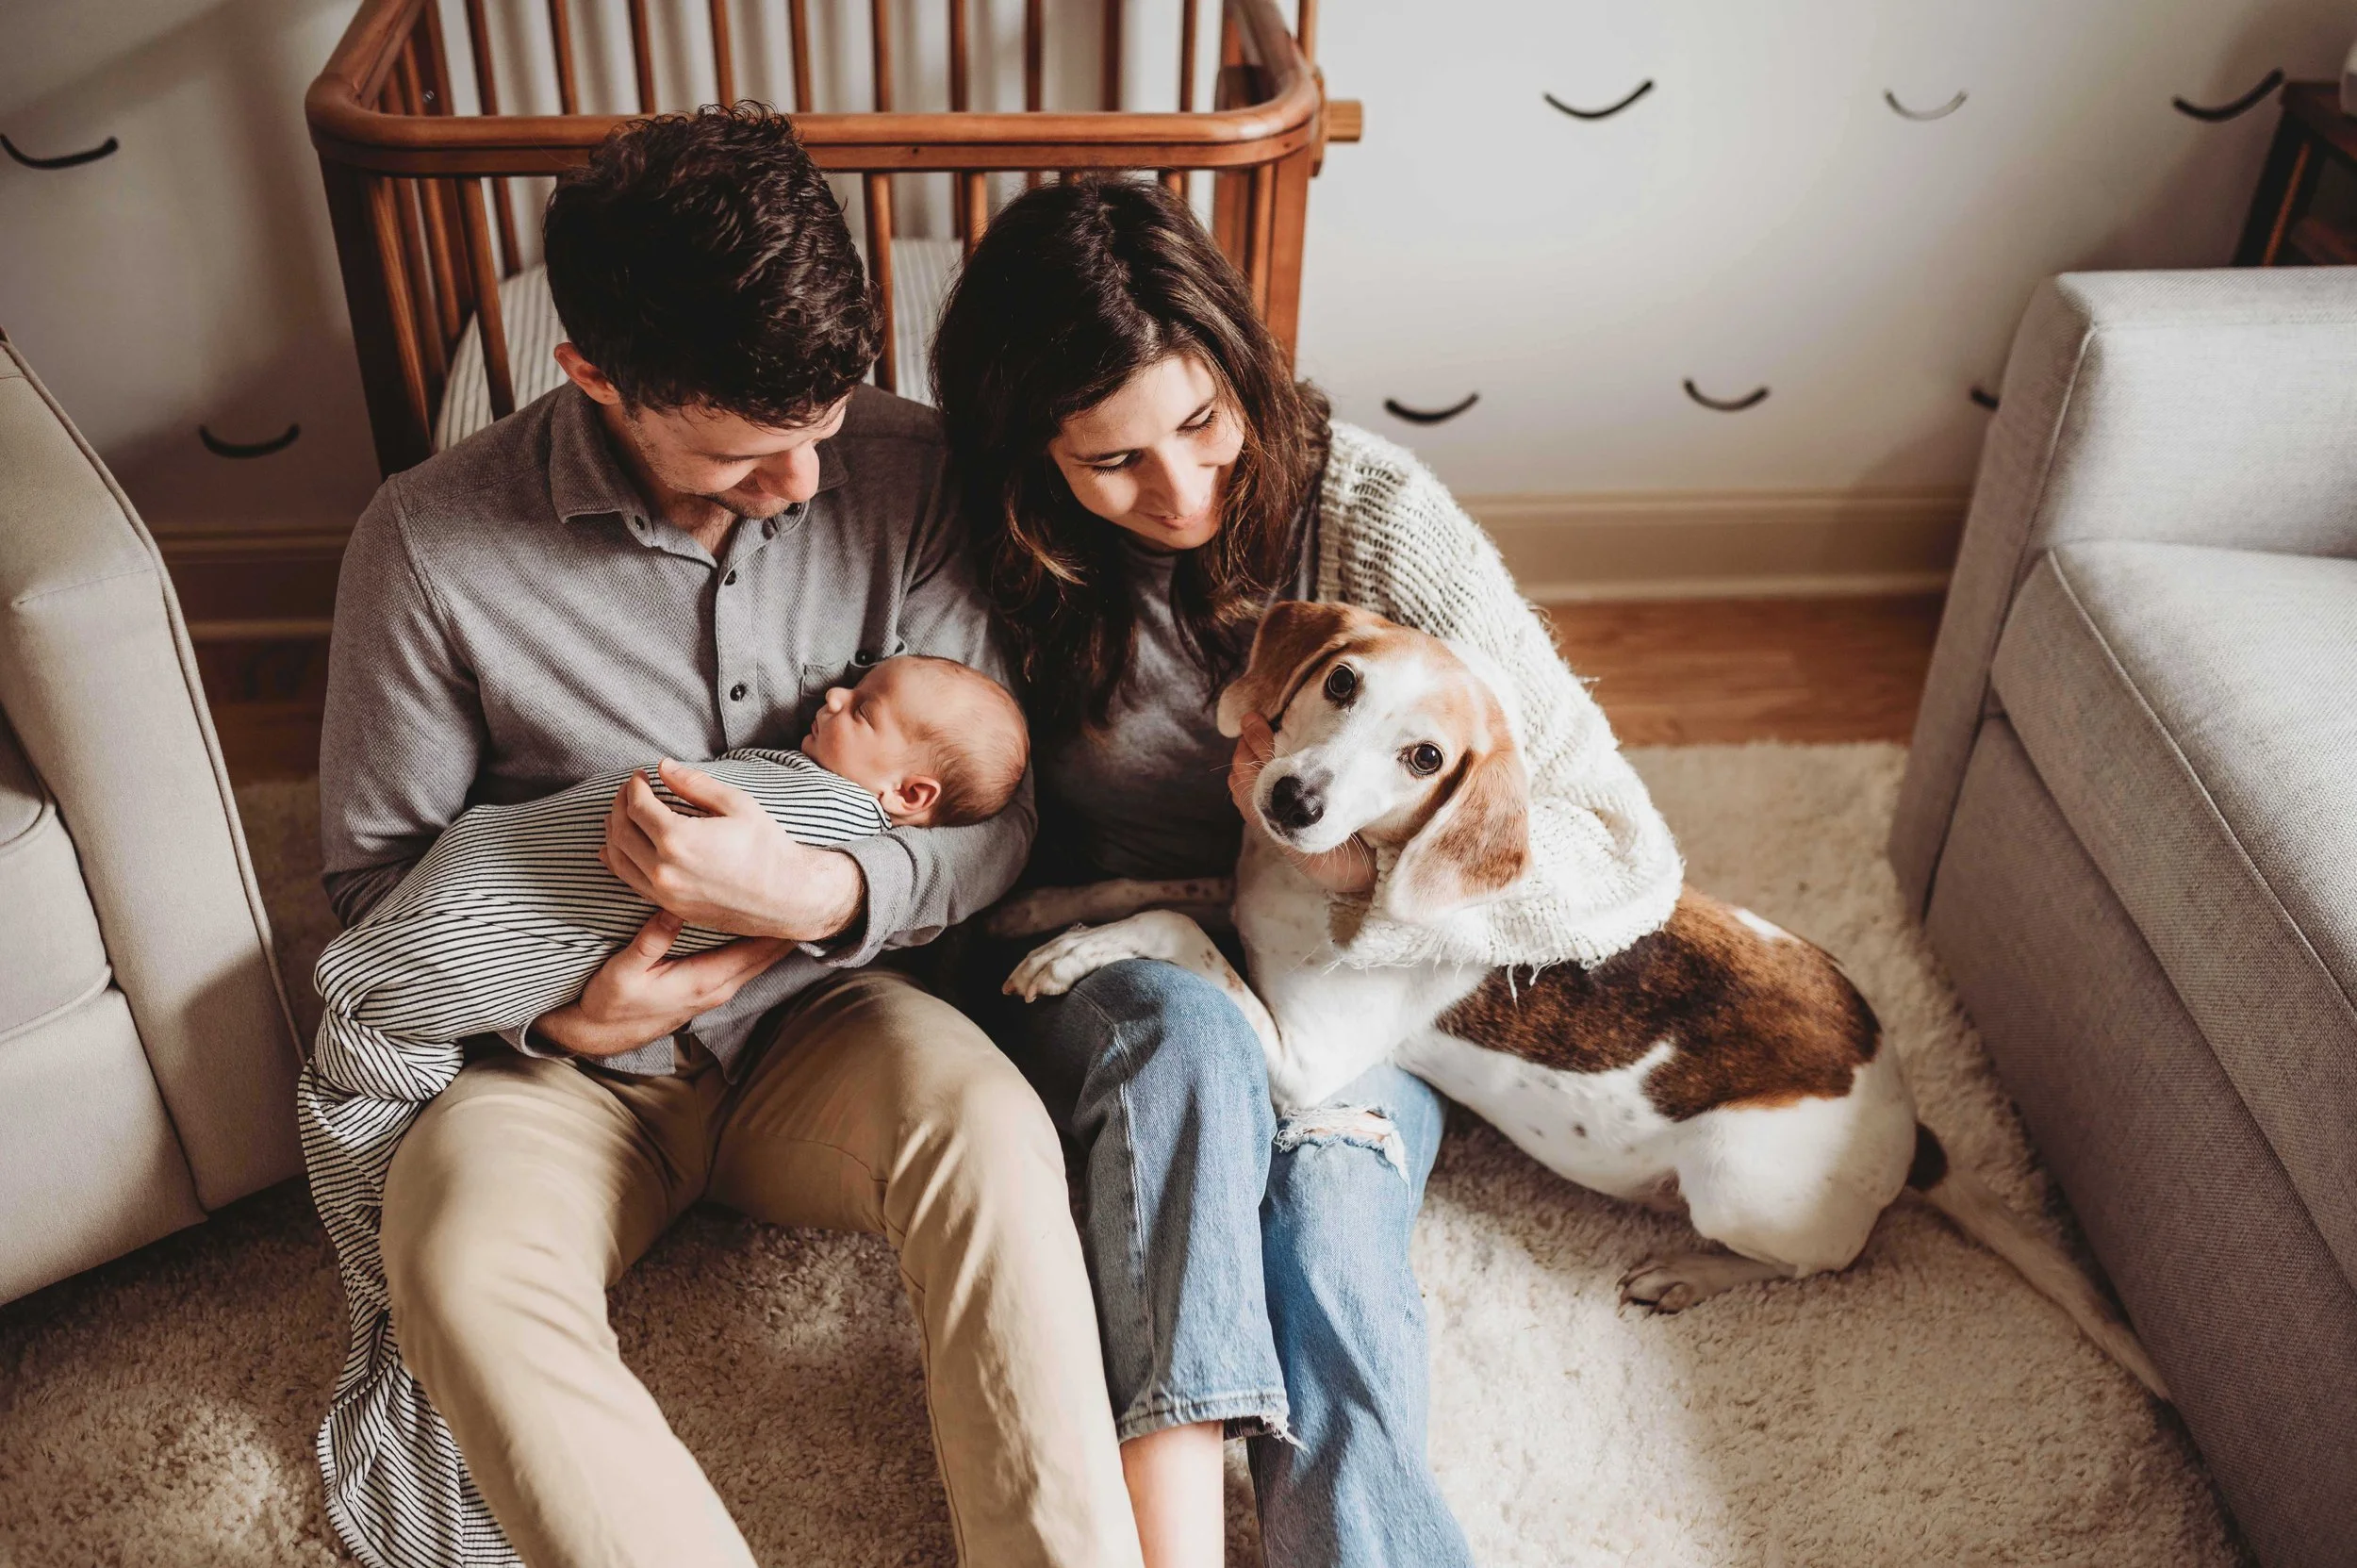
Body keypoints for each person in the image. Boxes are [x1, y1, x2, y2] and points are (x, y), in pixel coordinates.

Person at [316, 107, 1140, 1568]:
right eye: (745, 456)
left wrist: (820, 887)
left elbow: (993, 821)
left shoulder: (913, 469)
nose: (806, 485)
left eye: (821, 432)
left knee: (996, 1138)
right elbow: (377, 888)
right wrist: (575, 1013)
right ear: (595, 377)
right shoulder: (427, 543)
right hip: (566, 1068)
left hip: (829, 1015)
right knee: (448, 1269)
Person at [931, 178, 1685, 1568]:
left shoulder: (1374, 514)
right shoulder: (985, 543)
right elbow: (944, 810)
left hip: (1353, 982)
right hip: (1110, 971)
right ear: (1030, 455)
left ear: (1242, 368)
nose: (1179, 492)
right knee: (1200, 1037)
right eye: (1110, 463)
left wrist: (1368, 884)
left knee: (1333, 1184)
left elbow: (1624, 856)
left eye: (1203, 424)